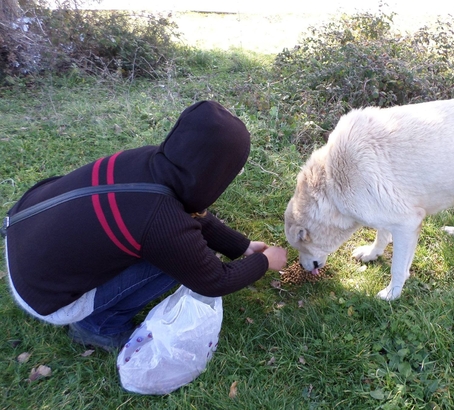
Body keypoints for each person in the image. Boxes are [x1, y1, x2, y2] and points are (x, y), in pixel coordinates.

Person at [3, 100, 288, 352]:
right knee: (177, 261)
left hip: (24, 232)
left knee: (161, 241)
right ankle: (99, 326)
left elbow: (191, 213)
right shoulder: (160, 219)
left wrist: (244, 247)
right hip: (45, 295)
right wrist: (264, 261)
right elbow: (213, 280)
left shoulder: (151, 160)